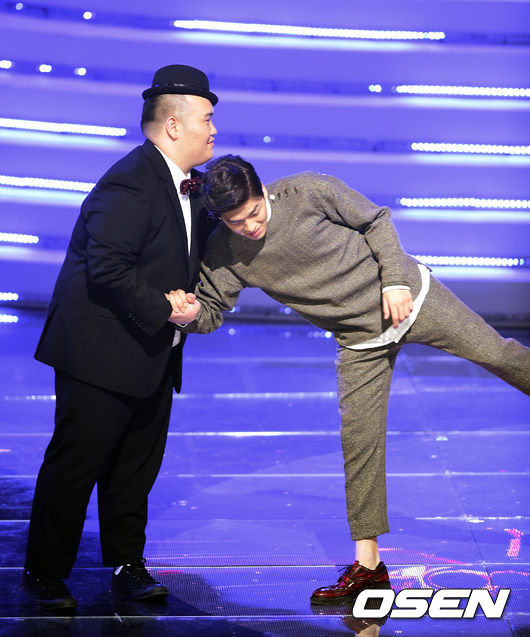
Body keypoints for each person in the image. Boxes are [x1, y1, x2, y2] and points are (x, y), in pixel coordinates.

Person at [167, 154, 530, 604]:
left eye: (254, 213)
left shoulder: (307, 191)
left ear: (263, 191)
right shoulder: (223, 250)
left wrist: (394, 281)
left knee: (501, 355)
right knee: (360, 444)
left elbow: (376, 220)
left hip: (413, 301)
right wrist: (187, 315)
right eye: (236, 222)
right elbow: (211, 311)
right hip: (359, 341)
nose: (250, 227)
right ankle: (369, 568)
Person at [23, 65, 218, 609]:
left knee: (135, 466)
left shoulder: (192, 185)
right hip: (100, 351)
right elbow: (107, 268)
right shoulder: (130, 180)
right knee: (77, 464)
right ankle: (44, 572)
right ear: (173, 125)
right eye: (206, 119)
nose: (213, 130)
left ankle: (128, 563)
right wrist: (166, 308)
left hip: (152, 350)